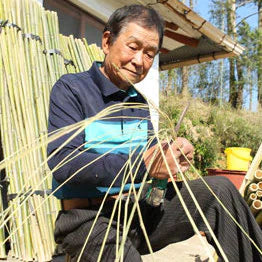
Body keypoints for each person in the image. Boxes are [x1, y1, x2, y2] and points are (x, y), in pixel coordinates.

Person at [47, 4, 262, 262]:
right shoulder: (72, 90)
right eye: (133, 47)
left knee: (220, 189)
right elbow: (63, 164)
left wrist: (170, 158)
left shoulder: (139, 104)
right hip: (87, 219)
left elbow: (151, 172)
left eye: (150, 54)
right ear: (107, 41)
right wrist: (145, 164)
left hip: (138, 215)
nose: (140, 61)